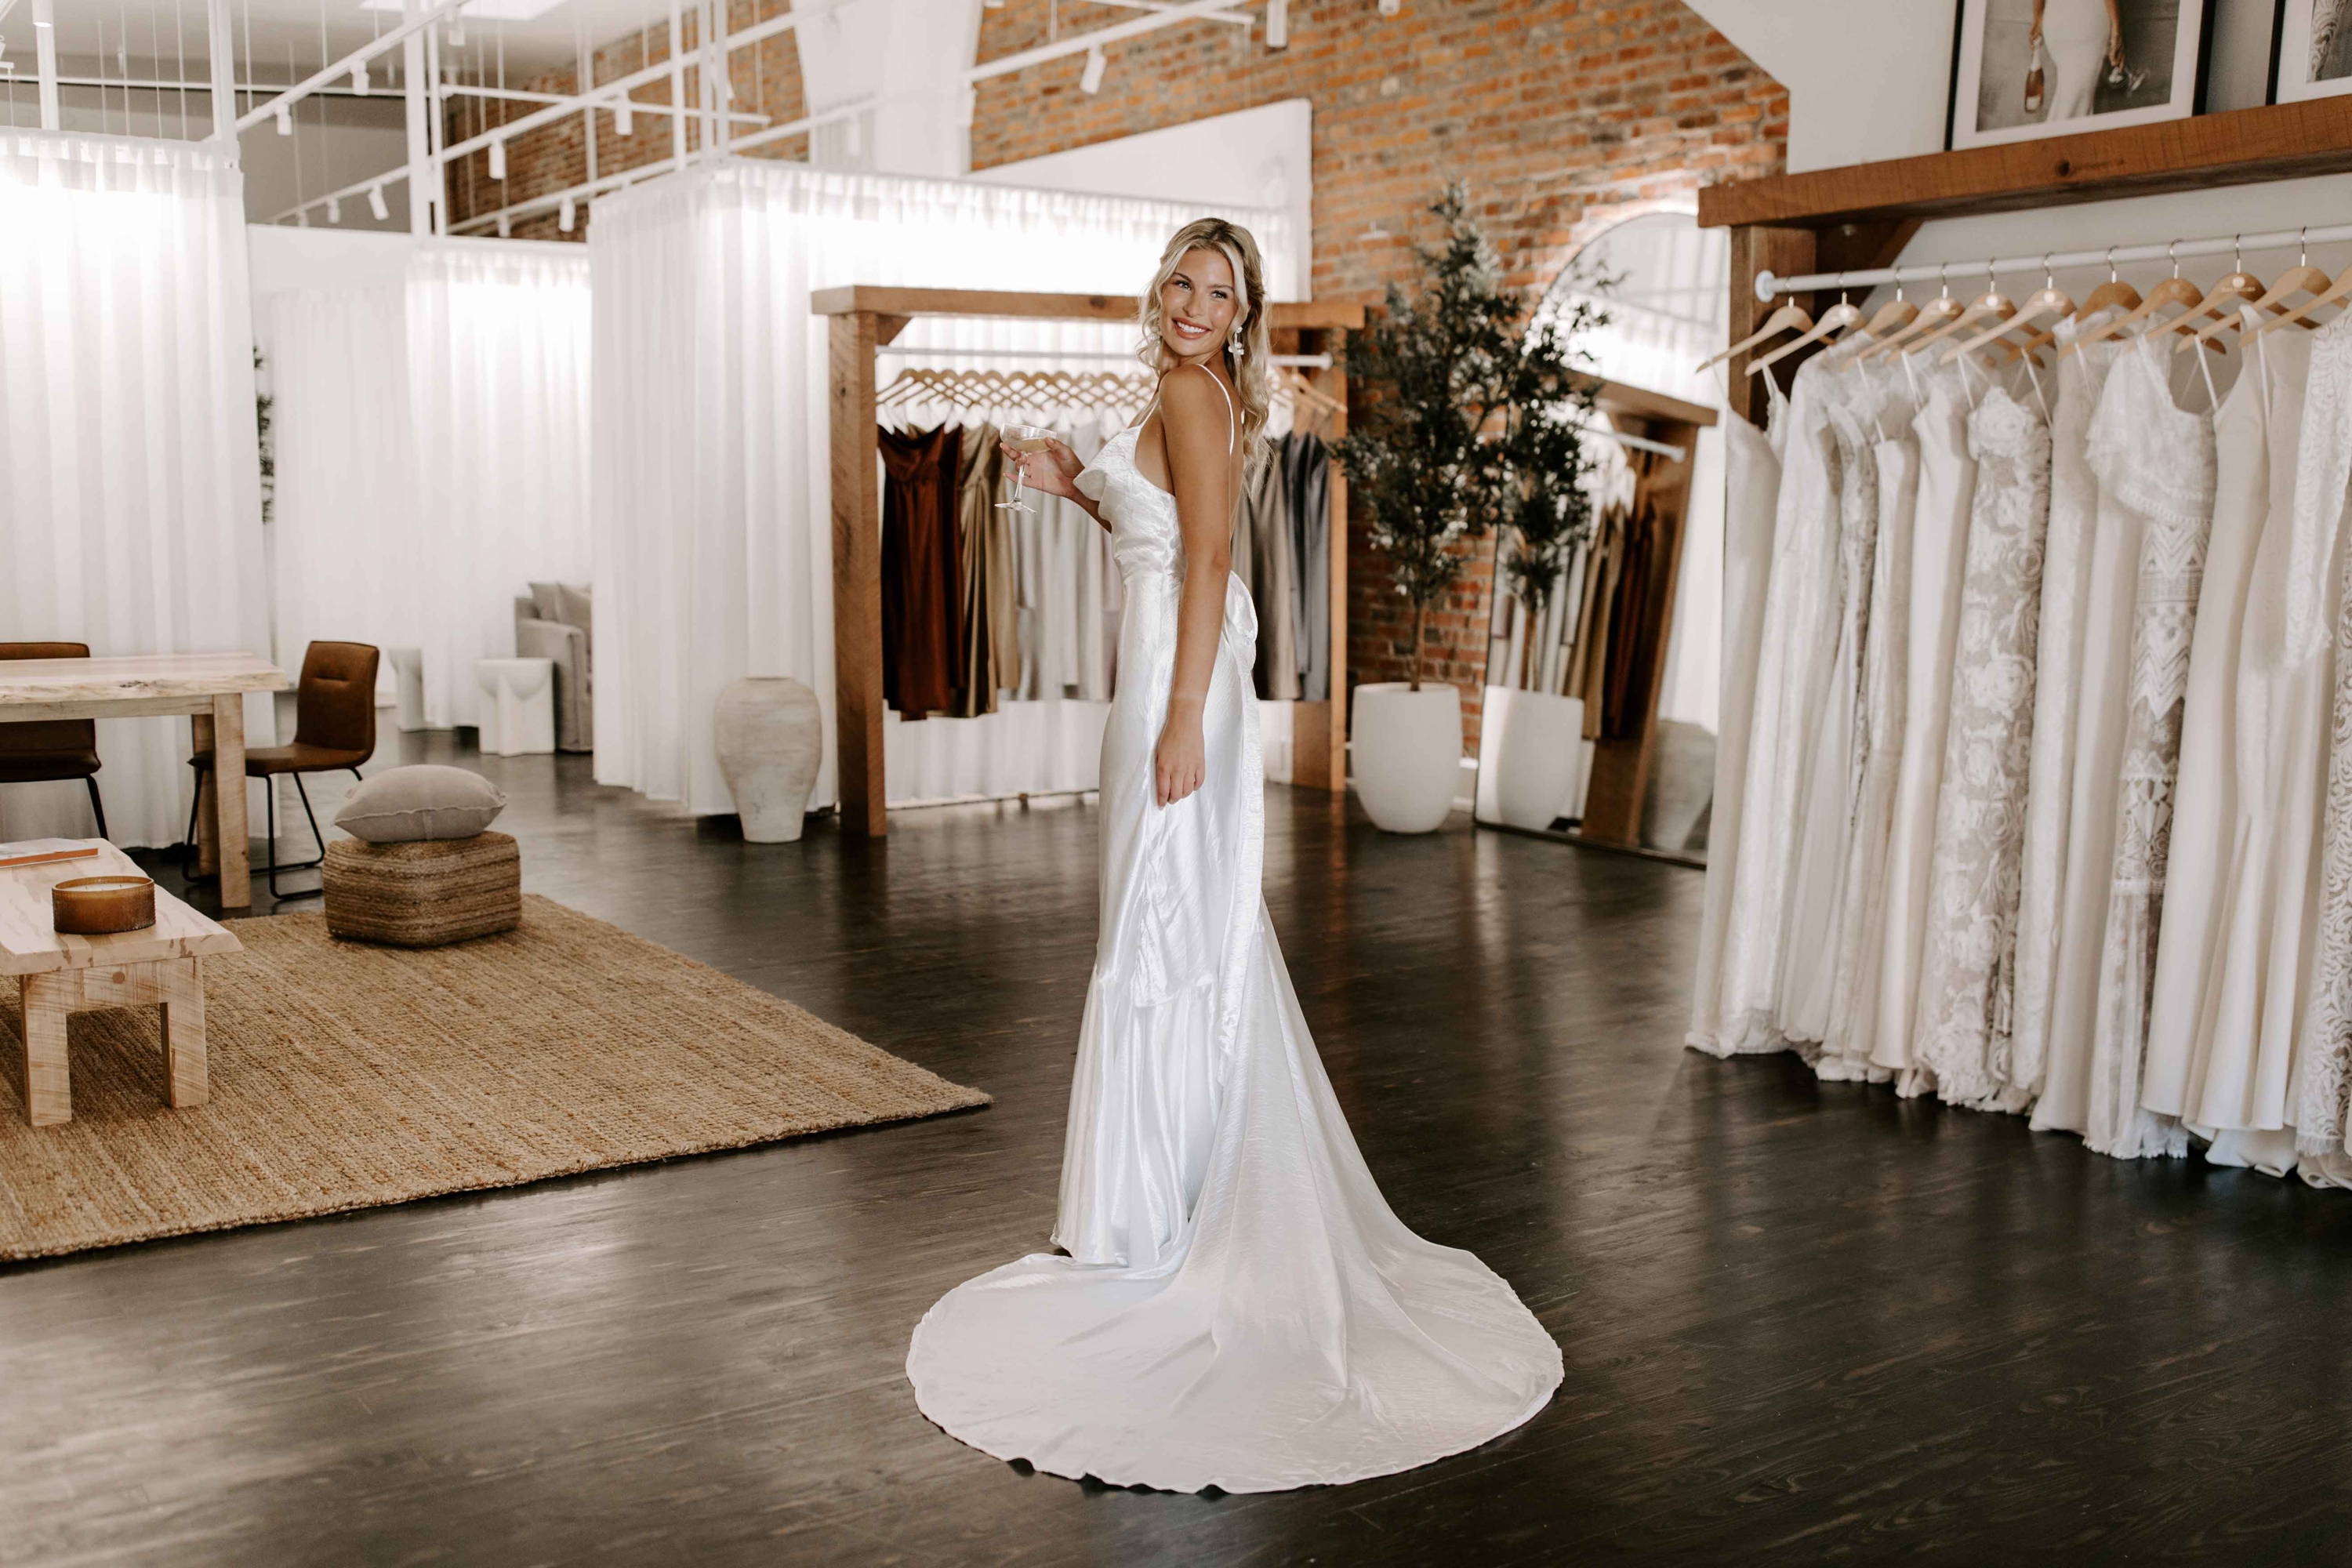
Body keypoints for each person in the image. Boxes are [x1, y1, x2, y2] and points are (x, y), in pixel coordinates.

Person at [902, 218, 1561, 1494]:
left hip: (1174, 679)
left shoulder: (1194, 394)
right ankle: (1154, 1203)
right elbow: (1158, 537)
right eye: (1184, 281)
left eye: (1222, 291)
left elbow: (1211, 558)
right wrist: (1073, 485)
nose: (1196, 303)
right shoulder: (1180, 394)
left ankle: (1157, 1219)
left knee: (1164, 929)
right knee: (1167, 926)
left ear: (1241, 316)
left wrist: (1184, 717)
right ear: (1160, 288)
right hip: (1167, 664)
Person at [2032, 0, 2125, 120]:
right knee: (2074, 109)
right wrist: (2116, 27)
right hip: (2085, 20)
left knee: (2070, 101)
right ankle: (2056, 137)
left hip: (2055, 18)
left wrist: (2038, 17)